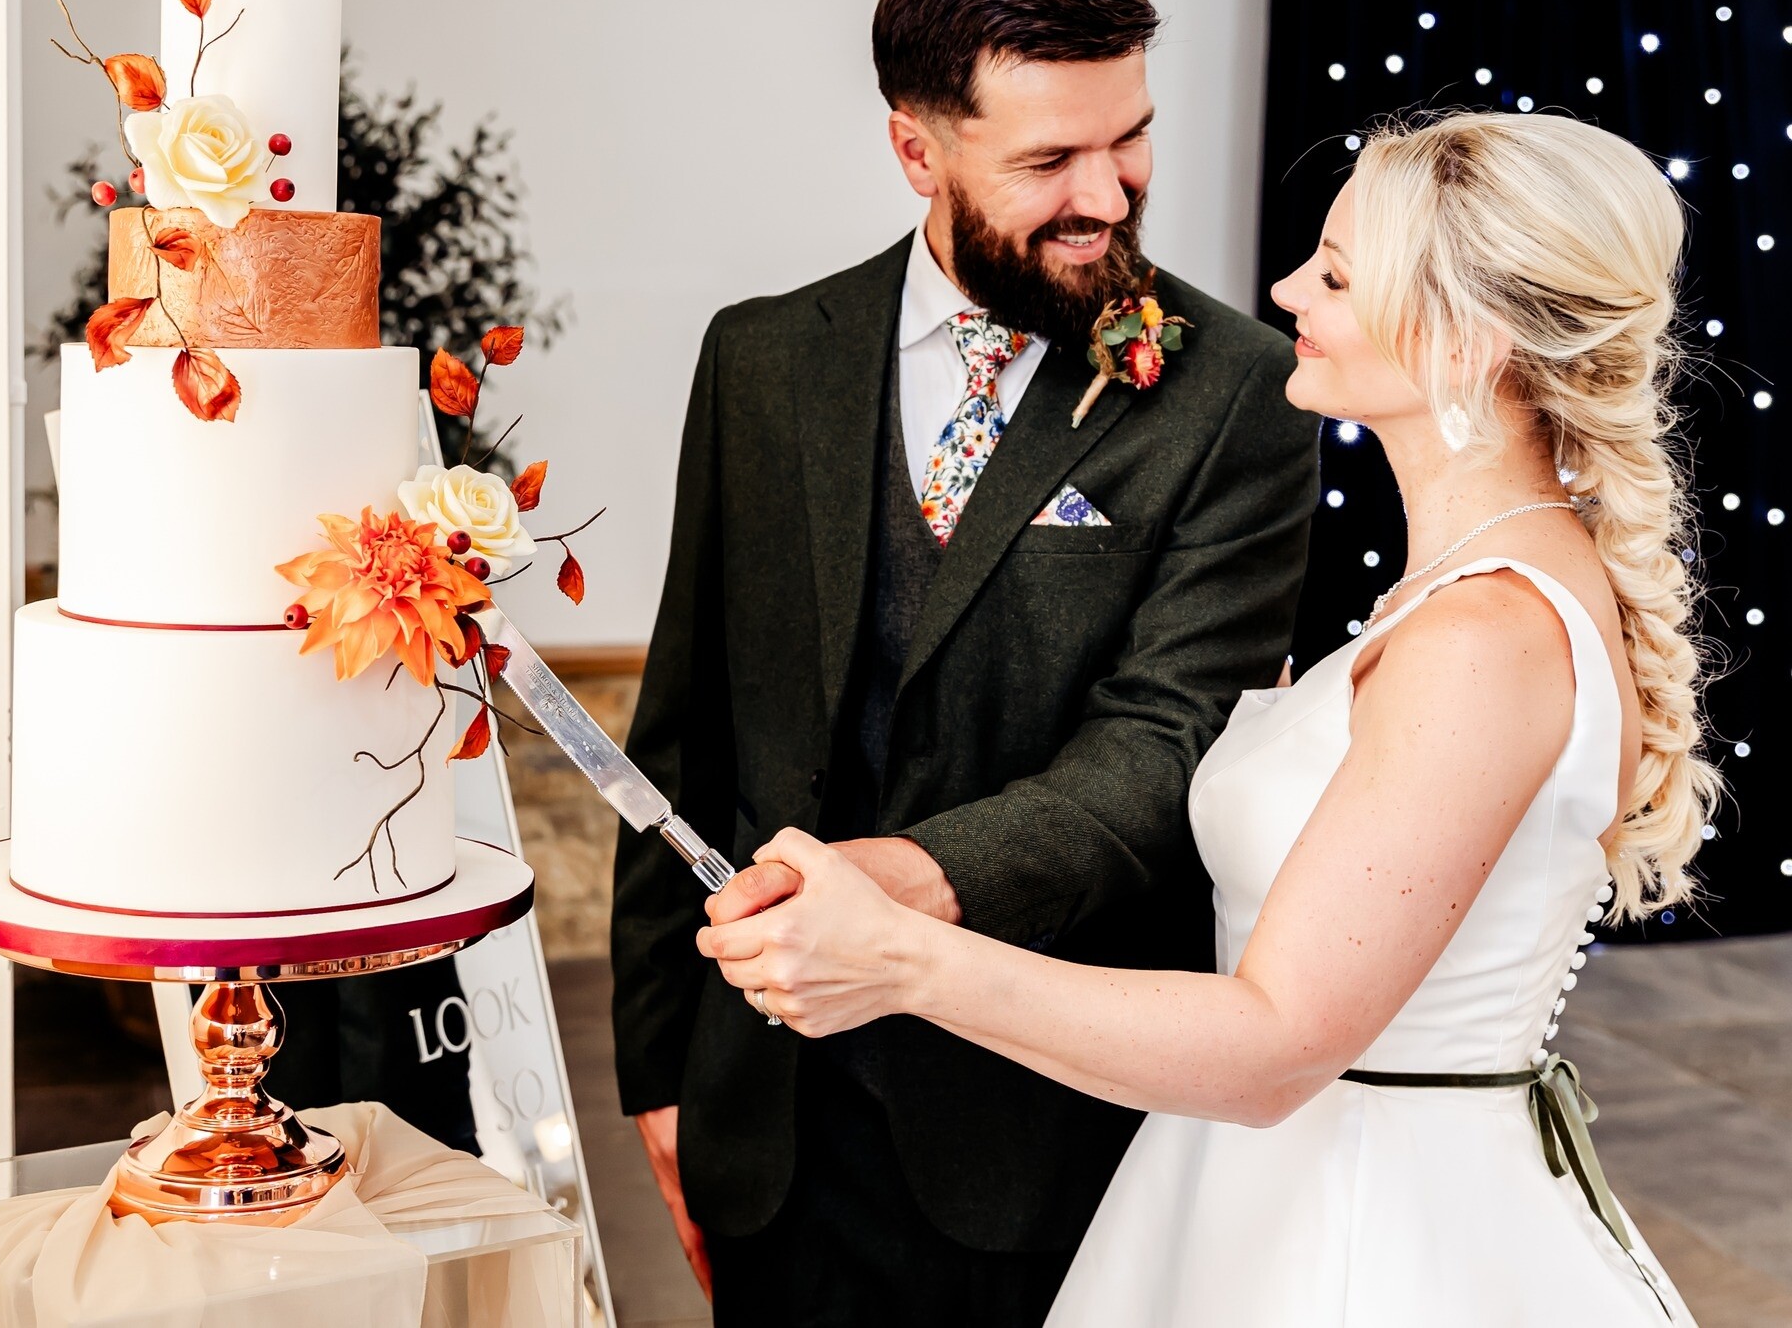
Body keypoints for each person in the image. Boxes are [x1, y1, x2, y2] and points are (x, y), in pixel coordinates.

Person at [700, 110, 1715, 1325]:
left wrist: (902, 959)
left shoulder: (1483, 639)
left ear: (1461, 340)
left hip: (1362, 1235)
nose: (1287, 287)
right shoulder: (1457, 599)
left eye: (1334, 274)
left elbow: (1276, 1041)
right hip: (1266, 1191)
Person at [610, 0, 1321, 1326]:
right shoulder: (759, 359)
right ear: (916, 147)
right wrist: (659, 1073)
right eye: (1049, 160)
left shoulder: (1238, 389)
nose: (1111, 198)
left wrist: (905, 888)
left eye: (1130, 140)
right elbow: (683, 725)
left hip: (1049, 1130)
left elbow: (1162, 748)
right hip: (770, 1120)